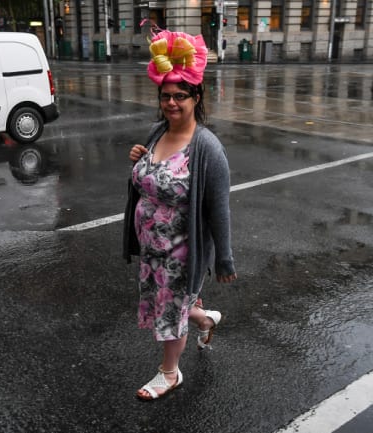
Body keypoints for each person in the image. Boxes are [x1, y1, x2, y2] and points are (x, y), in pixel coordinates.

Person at [122, 27, 237, 401]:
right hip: (152, 247)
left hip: (180, 253)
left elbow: (219, 206)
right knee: (170, 304)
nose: (172, 103)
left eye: (180, 96)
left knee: (170, 310)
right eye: (166, 96)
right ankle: (206, 319)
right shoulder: (157, 132)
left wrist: (224, 258)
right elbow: (149, 181)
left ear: (196, 96)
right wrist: (139, 162)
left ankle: (169, 373)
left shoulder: (207, 148)